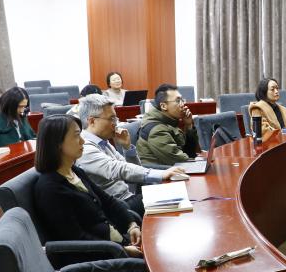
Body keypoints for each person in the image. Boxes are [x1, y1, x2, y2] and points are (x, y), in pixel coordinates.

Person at [33, 114, 142, 257]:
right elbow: (76, 239)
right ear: (57, 143)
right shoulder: (50, 189)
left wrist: (131, 224)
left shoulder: (75, 171)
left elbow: (108, 201)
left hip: (116, 244)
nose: (83, 141)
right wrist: (123, 250)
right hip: (103, 258)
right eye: (76, 136)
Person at [76, 94, 184, 217]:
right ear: (92, 121)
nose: (115, 124)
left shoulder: (103, 142)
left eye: (115, 119)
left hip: (129, 198)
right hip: (118, 207)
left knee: (178, 195)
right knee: (176, 201)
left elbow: (132, 173)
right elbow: (118, 169)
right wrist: (161, 174)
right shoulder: (84, 148)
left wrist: (127, 148)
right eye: (111, 119)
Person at [137, 83, 199, 165]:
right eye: (178, 101)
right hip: (161, 171)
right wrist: (199, 162)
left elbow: (189, 152)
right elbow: (179, 160)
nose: (183, 105)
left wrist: (188, 125)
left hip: (174, 168)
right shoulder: (157, 131)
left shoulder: (170, 121)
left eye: (182, 100)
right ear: (163, 106)